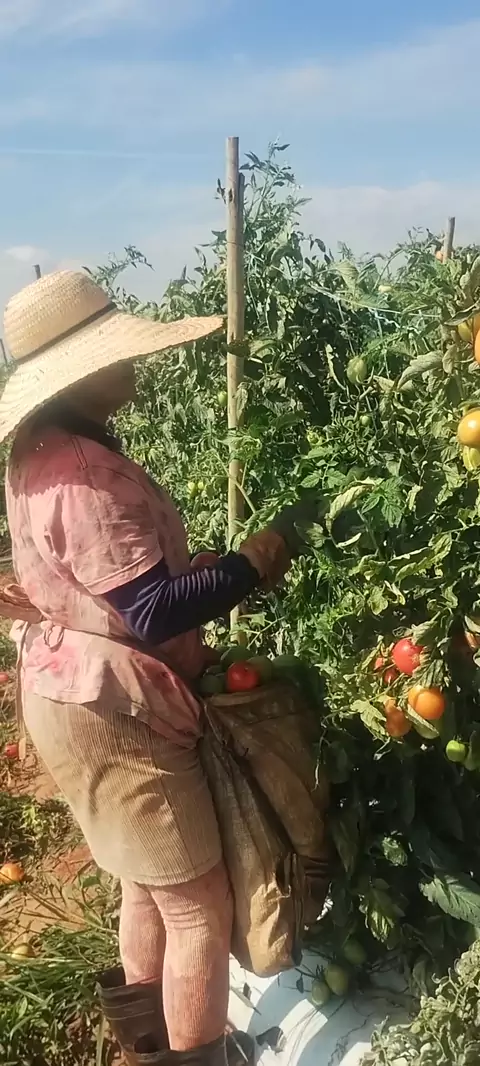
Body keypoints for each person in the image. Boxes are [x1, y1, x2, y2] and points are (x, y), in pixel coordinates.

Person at [0, 270, 291, 1066]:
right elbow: (155, 611)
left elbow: (111, 584)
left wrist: (198, 570)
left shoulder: (40, 451)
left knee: (147, 883)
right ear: (75, 375)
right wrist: (250, 564)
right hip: (119, 708)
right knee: (198, 905)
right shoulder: (87, 472)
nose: (130, 363)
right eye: (112, 354)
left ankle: (147, 1045)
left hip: (69, 690)